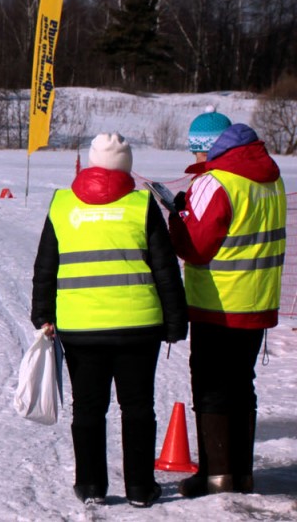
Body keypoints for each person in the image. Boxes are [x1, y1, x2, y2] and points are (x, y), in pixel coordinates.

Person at [31, 133, 187, 509]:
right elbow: (165, 268)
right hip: (138, 326)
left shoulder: (62, 204)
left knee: (88, 407)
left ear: (90, 163)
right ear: (126, 166)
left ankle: (90, 485)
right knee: (138, 407)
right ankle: (140, 488)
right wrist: (175, 320)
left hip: (81, 328)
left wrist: (43, 315)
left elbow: (46, 267)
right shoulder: (141, 205)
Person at [167, 122, 286, 497]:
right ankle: (241, 474)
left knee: (211, 386)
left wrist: (177, 217)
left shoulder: (215, 182)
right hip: (258, 301)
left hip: (218, 302)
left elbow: (194, 247)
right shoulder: (271, 180)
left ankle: (216, 476)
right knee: (241, 384)